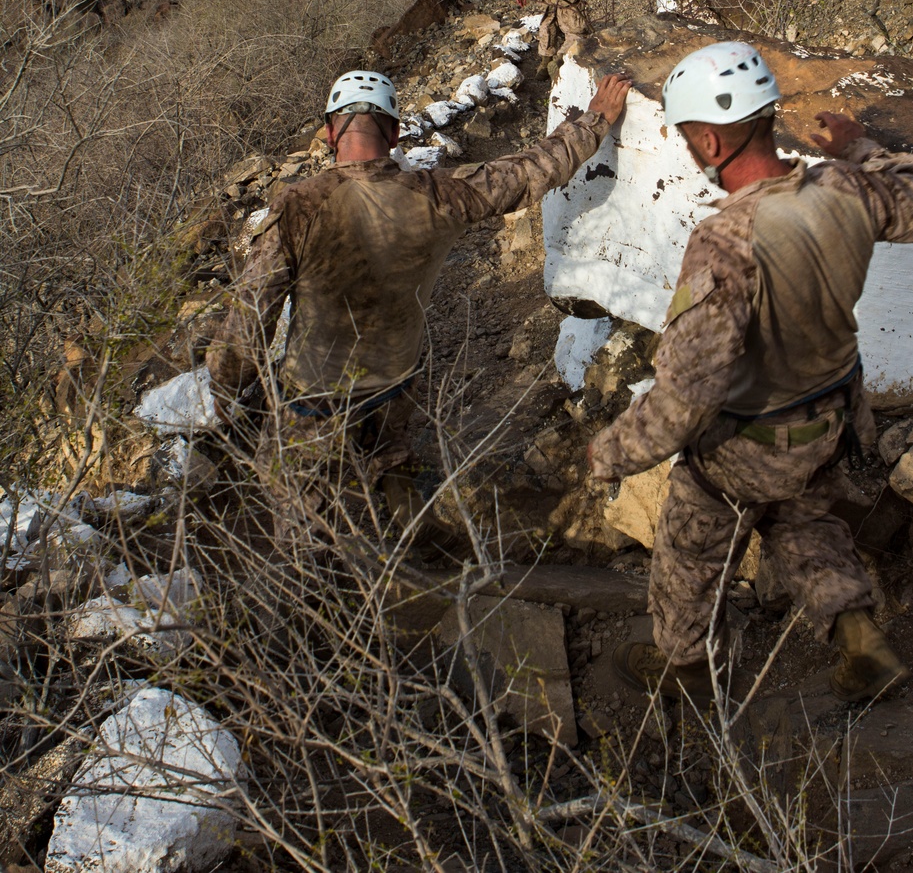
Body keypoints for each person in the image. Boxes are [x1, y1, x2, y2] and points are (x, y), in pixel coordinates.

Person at [587, 40, 913, 706]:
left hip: (746, 444)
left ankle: (686, 667)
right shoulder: (844, 187)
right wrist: (862, 146)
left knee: (690, 548)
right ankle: (860, 637)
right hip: (831, 418)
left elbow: (688, 399)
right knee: (804, 520)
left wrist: (611, 452)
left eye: (689, 137)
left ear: (709, 139)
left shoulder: (726, 244)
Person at [208, 67, 632, 543]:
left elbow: (249, 319)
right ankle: (413, 539)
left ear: (330, 133)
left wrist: (227, 388)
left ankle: (328, 593)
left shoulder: (299, 206)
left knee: (305, 519)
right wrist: (595, 120)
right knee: (391, 462)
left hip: (315, 402)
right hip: (396, 384)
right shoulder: (439, 194)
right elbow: (528, 172)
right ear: (392, 134)